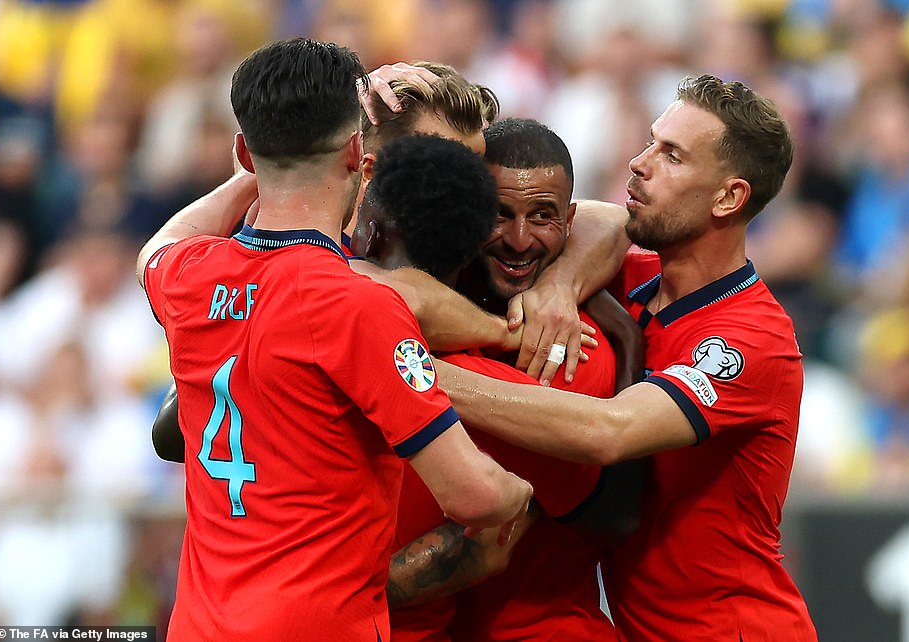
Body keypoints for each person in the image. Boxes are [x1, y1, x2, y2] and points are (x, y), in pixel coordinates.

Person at [135, 38, 531, 642]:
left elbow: (154, 250)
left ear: (243, 149)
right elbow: (477, 496)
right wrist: (518, 493)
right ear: (360, 155)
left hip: (199, 626)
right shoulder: (361, 306)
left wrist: (260, 172)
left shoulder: (190, 276)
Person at [434, 75, 818, 641]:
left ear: (728, 197)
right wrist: (562, 282)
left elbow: (609, 431)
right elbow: (595, 217)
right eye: (650, 142)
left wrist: (411, 369)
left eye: (672, 156)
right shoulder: (630, 282)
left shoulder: (753, 339)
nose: (640, 163)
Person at [371, 119, 640, 642]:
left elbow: (480, 549)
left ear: (569, 219)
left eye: (543, 216)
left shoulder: (568, 350)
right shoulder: (426, 304)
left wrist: (405, 371)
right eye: (499, 214)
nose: (519, 240)